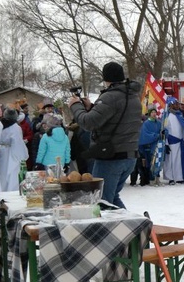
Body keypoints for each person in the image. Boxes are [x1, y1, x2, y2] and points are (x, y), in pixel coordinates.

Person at [68, 61, 142, 208]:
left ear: (106, 79)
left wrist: (75, 105)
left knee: (101, 202)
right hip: (129, 155)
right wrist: (92, 108)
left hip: (110, 158)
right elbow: (115, 118)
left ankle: (131, 229)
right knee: (112, 199)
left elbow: (88, 123)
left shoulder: (110, 97)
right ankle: (133, 229)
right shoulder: (132, 96)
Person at [0, 107, 29, 191]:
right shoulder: (15, 127)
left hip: (0, 151)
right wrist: (22, 156)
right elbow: (17, 142)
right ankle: (11, 190)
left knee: (2, 172)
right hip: (10, 151)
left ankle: (1, 189)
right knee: (12, 172)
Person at [162, 97, 184, 185]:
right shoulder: (167, 116)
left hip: (180, 142)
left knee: (179, 161)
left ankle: (179, 177)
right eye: (175, 104)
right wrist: (166, 143)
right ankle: (171, 178)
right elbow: (164, 130)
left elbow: (183, 128)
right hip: (171, 142)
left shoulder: (179, 115)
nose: (177, 106)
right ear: (170, 106)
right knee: (171, 161)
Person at [137, 108, 162, 186]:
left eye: (155, 112)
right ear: (150, 114)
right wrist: (156, 136)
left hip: (158, 145)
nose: (154, 114)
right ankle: (151, 179)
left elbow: (163, 131)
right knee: (152, 162)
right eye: (152, 112)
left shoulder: (159, 123)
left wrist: (164, 133)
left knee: (158, 162)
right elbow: (145, 135)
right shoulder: (146, 123)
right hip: (150, 146)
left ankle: (157, 178)